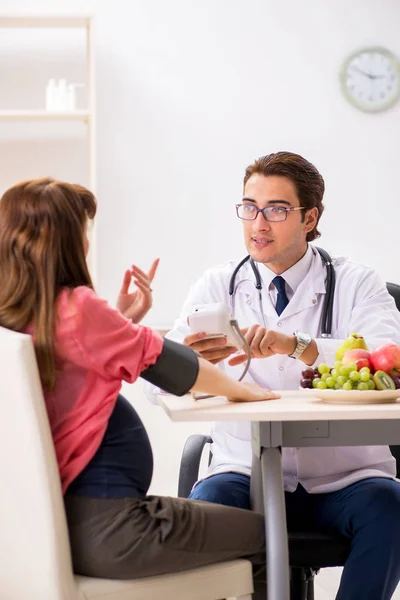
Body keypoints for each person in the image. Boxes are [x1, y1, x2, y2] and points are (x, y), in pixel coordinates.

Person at [0, 177, 281, 586]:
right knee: (270, 535)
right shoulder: (77, 308)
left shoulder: (21, 311)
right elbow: (175, 367)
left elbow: (74, 356)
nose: (86, 242)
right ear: (62, 241)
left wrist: (121, 320)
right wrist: (247, 390)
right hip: (114, 527)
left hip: (59, 527)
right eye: (83, 230)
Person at [144, 151, 400, 600]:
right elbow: (153, 384)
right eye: (249, 207)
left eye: (276, 210)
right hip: (241, 471)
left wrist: (295, 345)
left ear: (309, 217)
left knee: (393, 511)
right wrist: (185, 359)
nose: (257, 223)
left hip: (346, 478)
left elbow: (388, 358)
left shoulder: (359, 283)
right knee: (201, 519)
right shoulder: (217, 286)